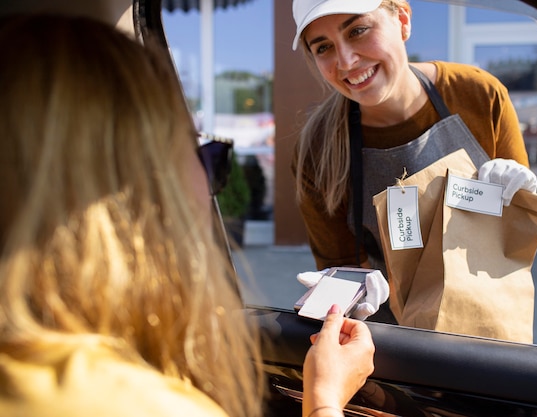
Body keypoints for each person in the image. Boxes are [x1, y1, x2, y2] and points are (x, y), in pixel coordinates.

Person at [0, 14, 374, 417]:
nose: (210, 180)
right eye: (204, 155)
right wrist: (325, 402)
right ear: (135, 188)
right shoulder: (136, 403)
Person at [290, 0, 537, 317]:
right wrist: (349, 295)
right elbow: (340, 265)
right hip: (386, 338)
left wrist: (518, 200)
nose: (346, 61)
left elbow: (519, 242)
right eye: (323, 47)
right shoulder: (318, 147)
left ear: (403, 20)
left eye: (358, 30)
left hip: (485, 321)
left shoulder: (477, 94)